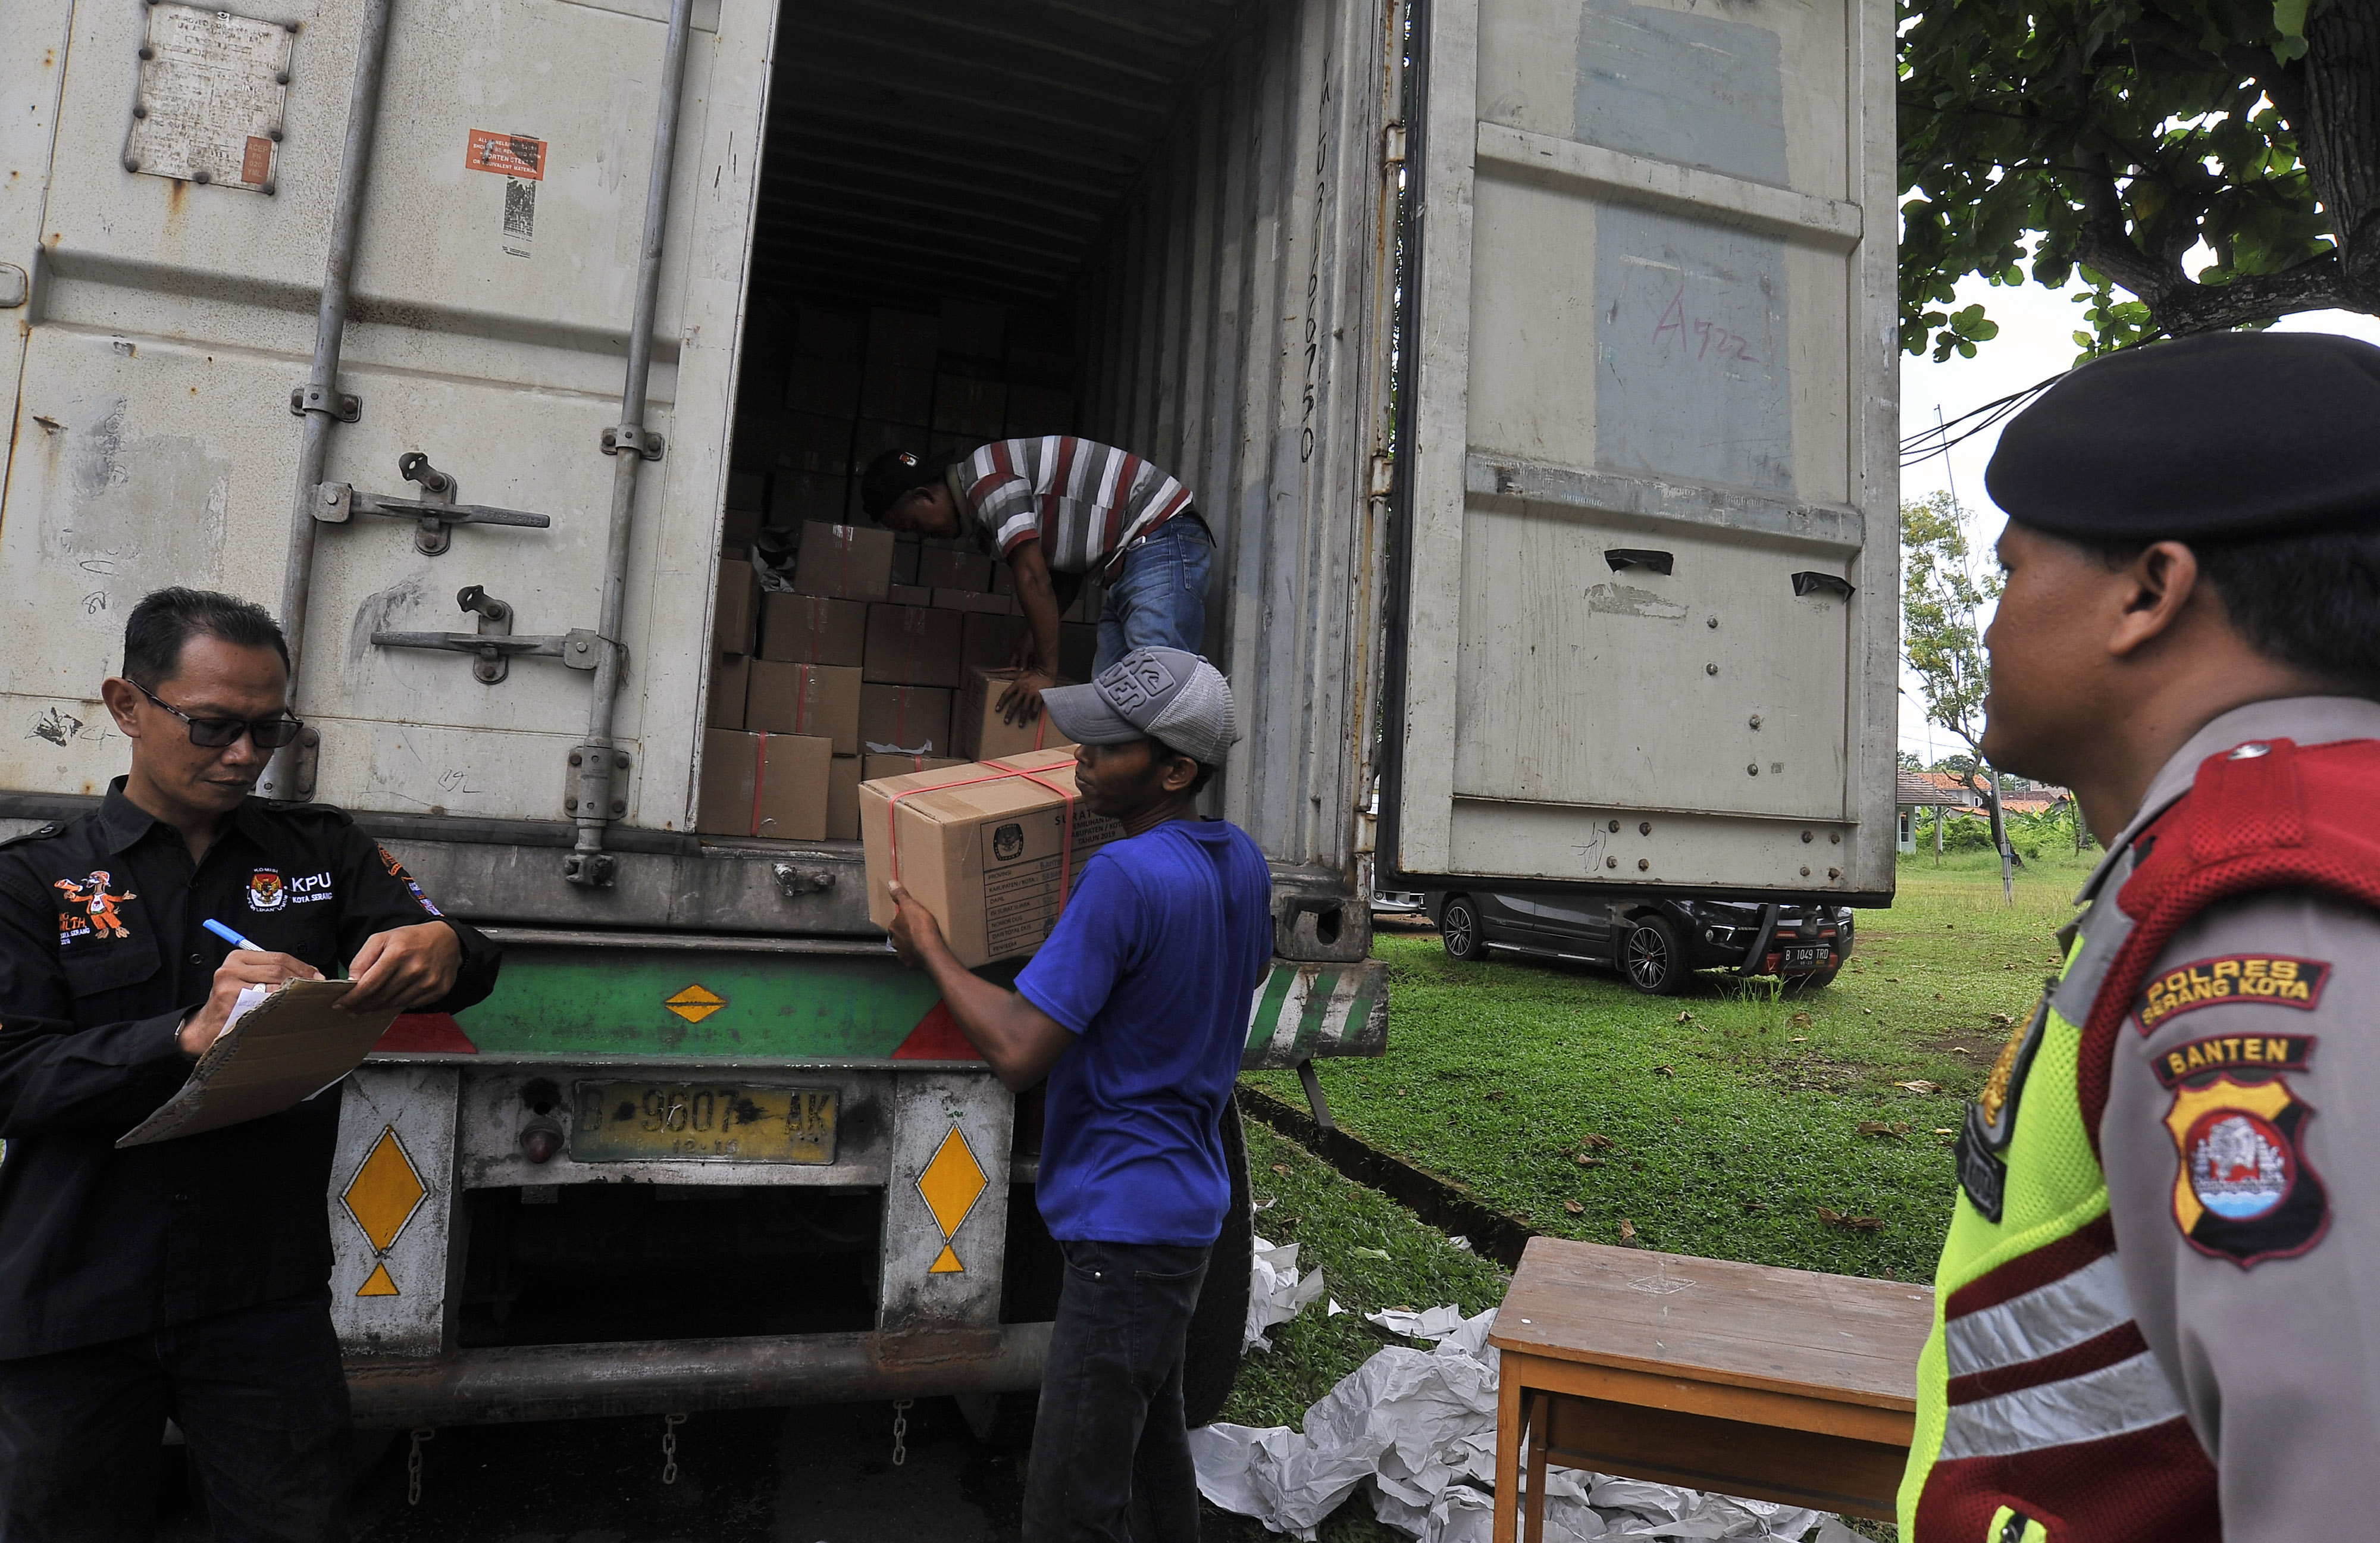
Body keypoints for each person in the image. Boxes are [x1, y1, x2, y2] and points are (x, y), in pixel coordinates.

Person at [1898, 331, 2380, 1542]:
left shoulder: (2270, 911)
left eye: (2010, 572)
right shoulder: (2279, 840)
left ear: (2146, 591)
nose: (1993, 623)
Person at [0, 587, 502, 1539]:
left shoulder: (317, 853)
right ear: (126, 706)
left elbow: (459, 953)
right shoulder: (35, 882)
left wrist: (448, 949)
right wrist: (183, 1037)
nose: (241, 756)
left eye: (267, 732)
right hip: (73, 1300)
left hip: (258, 1298)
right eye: (213, 726)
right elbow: (12, 1073)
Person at [880, 647, 1270, 1542]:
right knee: (1150, 1459)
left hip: (1124, 1227)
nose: (1082, 755)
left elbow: (1019, 1050)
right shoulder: (1241, 862)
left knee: (1067, 1503)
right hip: (1184, 1212)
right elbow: (1232, 971)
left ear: (1175, 770)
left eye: (1109, 745)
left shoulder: (1123, 877)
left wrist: (932, 944)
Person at [861, 437, 1214, 724]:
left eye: (910, 525)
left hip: (1160, 535)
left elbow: (1033, 577)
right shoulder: (981, 514)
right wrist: (1037, 633)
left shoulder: (987, 483)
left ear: (925, 496)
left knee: (1157, 686)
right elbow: (1060, 571)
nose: (921, 536)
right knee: (1113, 700)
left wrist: (1046, 670)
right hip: (1133, 562)